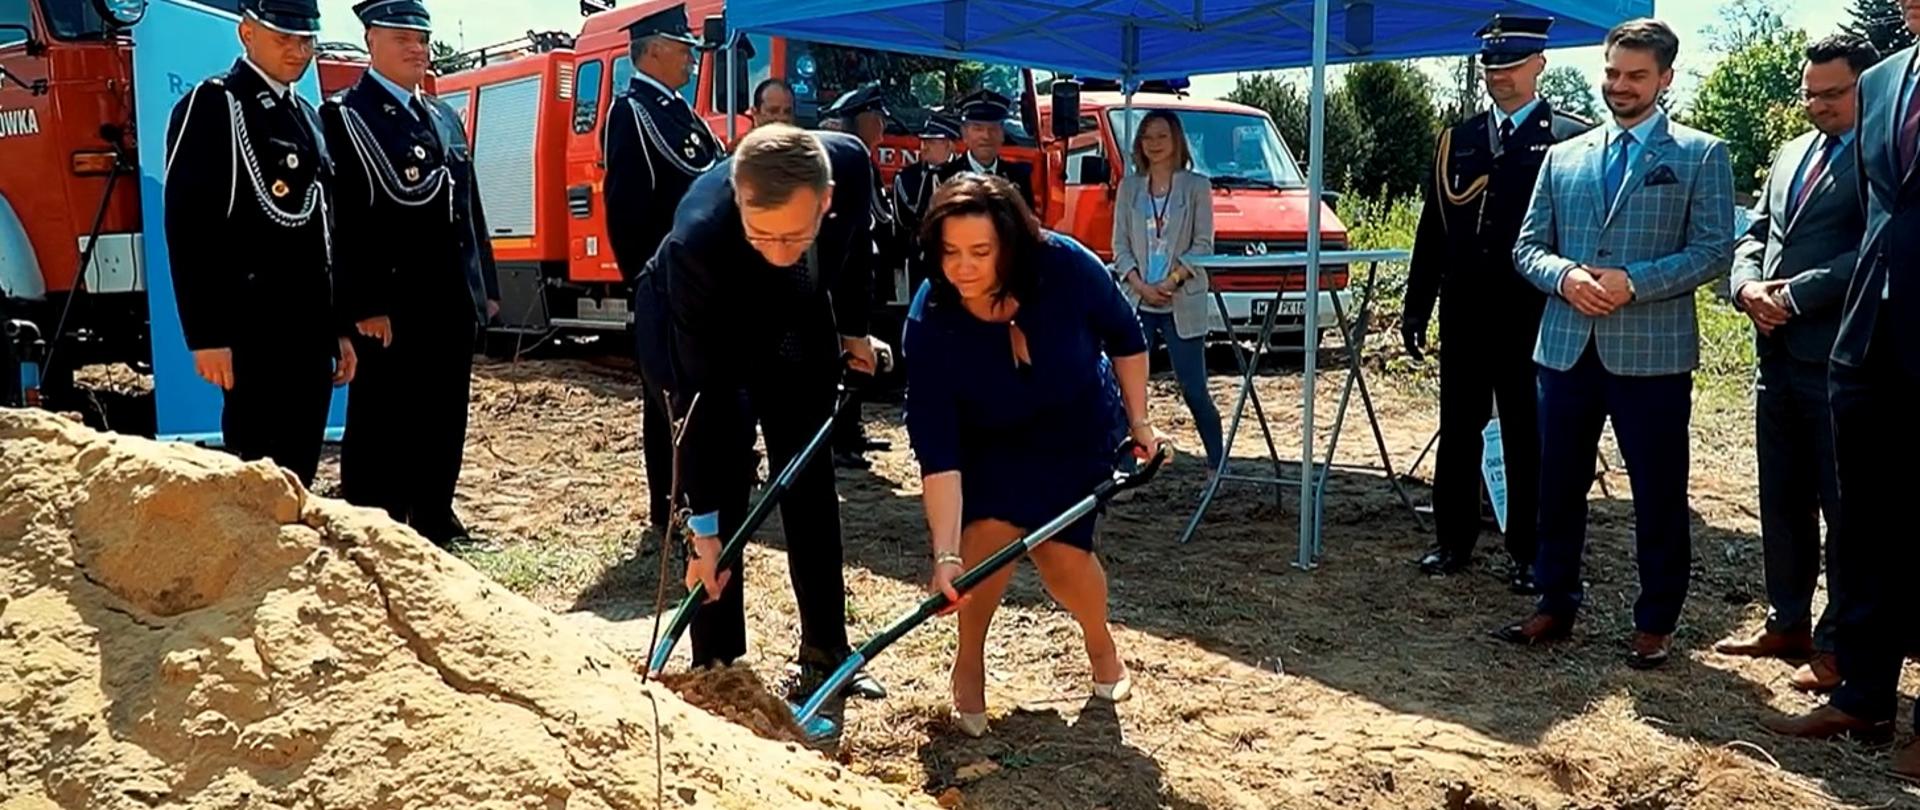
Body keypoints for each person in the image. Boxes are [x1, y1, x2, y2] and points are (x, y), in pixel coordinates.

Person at [1499, 18, 1734, 669]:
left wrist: (1634, 282)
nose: (1619, 86)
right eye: (1611, 73)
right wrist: (1566, 276)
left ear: (1665, 78)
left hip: (1652, 355)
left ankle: (1656, 621)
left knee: (1658, 493)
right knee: (1556, 487)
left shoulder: (1701, 154)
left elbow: (1713, 250)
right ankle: (1554, 601)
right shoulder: (1563, 155)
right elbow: (1528, 246)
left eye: (1635, 75)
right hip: (1566, 349)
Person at [632, 124, 886, 700]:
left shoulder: (849, 166)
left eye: (793, 235)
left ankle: (827, 648)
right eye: (762, 235)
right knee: (723, 481)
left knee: (808, 473)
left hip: (797, 314)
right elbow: (700, 403)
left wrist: (853, 331)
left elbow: (854, 248)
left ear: (824, 200)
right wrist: (701, 531)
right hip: (706, 325)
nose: (777, 252)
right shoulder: (697, 240)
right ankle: (719, 665)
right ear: (741, 199)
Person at [904, 173, 1162, 738]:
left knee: (1061, 555)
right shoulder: (931, 319)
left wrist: (1140, 421)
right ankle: (969, 660)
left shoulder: (1065, 266)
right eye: (950, 252)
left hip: (1074, 424)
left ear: (1011, 244)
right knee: (985, 538)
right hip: (987, 437)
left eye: (980, 252)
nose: (963, 267)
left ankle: (1099, 639)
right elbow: (937, 447)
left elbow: (1125, 335)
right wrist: (945, 554)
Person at [1761, 1, 1920, 777]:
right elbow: (1879, 214)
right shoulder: (1885, 80)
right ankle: (1864, 693)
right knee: (1865, 526)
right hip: (1868, 343)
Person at [1402, 15, 1591, 590]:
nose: (1499, 76)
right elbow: (1434, 227)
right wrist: (1418, 303)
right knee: (1459, 427)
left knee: (1526, 431)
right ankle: (1453, 540)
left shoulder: (1571, 138)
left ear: (1540, 65)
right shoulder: (1458, 140)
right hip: (1465, 308)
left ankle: (1529, 551)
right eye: (1491, 66)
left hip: (1532, 311)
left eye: (1511, 65)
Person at [1713, 35, 1876, 692]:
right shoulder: (1790, 154)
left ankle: (1839, 645)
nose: (1818, 105)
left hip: (1840, 356)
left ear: (1867, 87)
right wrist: (1746, 288)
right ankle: (1787, 622)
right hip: (1775, 355)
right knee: (1781, 498)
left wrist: (1794, 296)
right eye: (1809, 94)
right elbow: (1755, 233)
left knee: (1845, 509)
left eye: (1833, 94)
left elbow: (1875, 246)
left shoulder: (1885, 155)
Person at [325, 0, 498, 545]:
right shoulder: (346, 115)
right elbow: (344, 219)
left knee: (444, 415)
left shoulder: (443, 116)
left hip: (449, 298)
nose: (416, 48)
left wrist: (485, 286)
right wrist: (363, 303)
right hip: (392, 305)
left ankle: (434, 515)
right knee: (384, 421)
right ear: (370, 41)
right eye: (401, 37)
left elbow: (469, 209)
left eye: (421, 39)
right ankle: (377, 521)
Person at [163, 0, 355, 488]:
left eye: (306, 40)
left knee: (300, 468)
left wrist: (338, 328)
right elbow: (190, 225)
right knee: (257, 475)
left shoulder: (307, 115)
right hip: (254, 328)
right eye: (283, 38)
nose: (298, 51)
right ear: (247, 33)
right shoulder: (216, 104)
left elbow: (324, 233)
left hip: (309, 329)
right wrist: (206, 335)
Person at [603, 3, 722, 532]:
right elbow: (626, 206)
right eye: (683, 50)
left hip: (702, 280)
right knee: (669, 398)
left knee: (702, 391)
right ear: (653, 51)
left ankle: (702, 491)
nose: (692, 60)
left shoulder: (682, 113)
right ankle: (670, 503)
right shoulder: (631, 112)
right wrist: (647, 281)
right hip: (668, 281)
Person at [1111, 110, 1224, 473]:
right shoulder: (1129, 188)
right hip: (1138, 300)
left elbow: (1203, 245)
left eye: (1162, 136)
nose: (1154, 144)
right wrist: (1141, 285)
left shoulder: (1196, 187)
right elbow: (1120, 247)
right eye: (1147, 137)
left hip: (1181, 301)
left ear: (1177, 140)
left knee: (1193, 388)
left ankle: (1217, 464)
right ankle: (1125, 465)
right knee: (1126, 388)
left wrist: (1173, 280)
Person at [819, 83, 899, 469]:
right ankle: (840, 438)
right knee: (847, 358)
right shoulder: (851, 160)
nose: (883, 125)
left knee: (859, 356)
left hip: (864, 277)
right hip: (845, 282)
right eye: (877, 118)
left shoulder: (861, 160)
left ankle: (852, 431)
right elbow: (868, 224)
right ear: (861, 120)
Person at [935, 89, 1036, 210]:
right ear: (964, 133)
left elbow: (1025, 219)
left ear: (1002, 134)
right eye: (978, 129)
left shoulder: (1018, 176)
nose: (986, 136)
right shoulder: (945, 177)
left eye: (993, 128)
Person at [894, 114, 960, 292]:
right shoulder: (908, 177)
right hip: (921, 257)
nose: (924, 147)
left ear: (949, 145)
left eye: (931, 142)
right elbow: (902, 223)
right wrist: (897, 261)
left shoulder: (965, 175)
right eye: (923, 141)